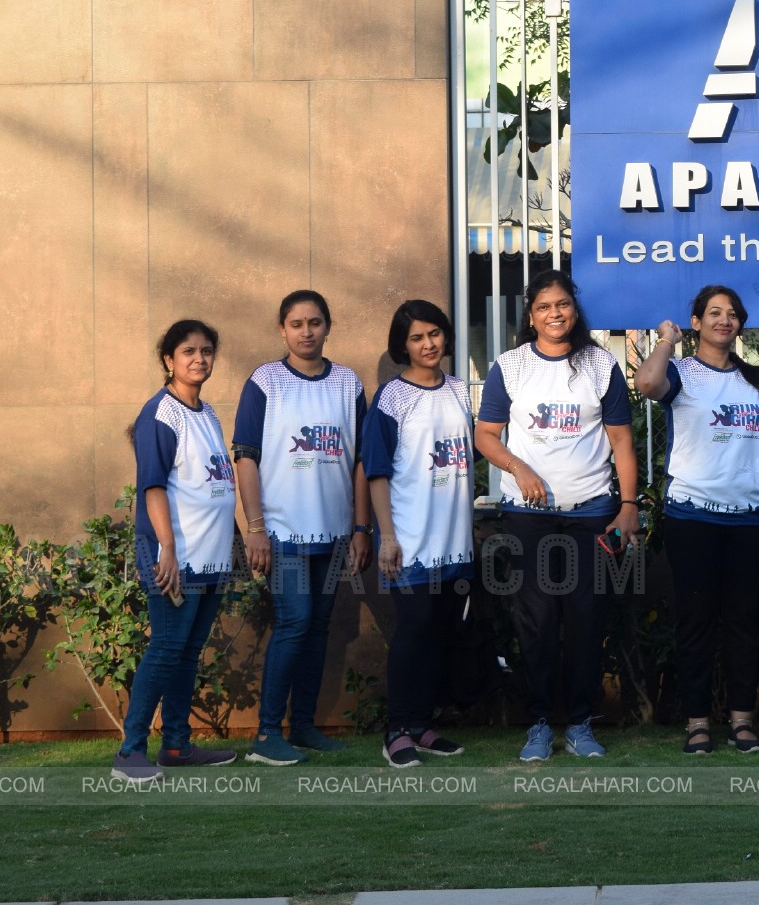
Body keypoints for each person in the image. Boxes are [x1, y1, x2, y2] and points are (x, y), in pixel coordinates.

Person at [474, 270, 640, 763]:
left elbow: (622, 442)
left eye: (563, 304)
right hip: (530, 517)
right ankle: (541, 724)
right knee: (537, 621)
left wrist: (628, 506)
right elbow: (486, 435)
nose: (555, 314)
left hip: (592, 513)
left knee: (587, 620)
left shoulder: (599, 365)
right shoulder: (510, 366)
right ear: (531, 316)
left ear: (575, 310)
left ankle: (583, 723)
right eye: (545, 306)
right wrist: (519, 467)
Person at [631, 284, 759, 754]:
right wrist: (665, 340)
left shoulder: (755, 381)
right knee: (696, 622)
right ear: (696, 322)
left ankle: (742, 720)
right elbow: (645, 385)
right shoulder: (680, 372)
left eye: (733, 314)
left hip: (749, 518)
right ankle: (697, 723)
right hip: (694, 516)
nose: (725, 320)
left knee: (745, 621)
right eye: (714, 313)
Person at [232, 289, 371, 765]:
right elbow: (245, 459)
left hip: (333, 533)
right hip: (283, 533)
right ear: (282, 329)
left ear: (327, 327)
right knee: (293, 621)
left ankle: (305, 725)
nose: (306, 331)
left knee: (317, 627)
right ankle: (267, 734)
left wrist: (360, 528)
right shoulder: (265, 382)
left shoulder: (348, 384)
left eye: (315, 322)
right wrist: (255, 527)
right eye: (296, 323)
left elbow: (359, 462)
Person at [113, 319, 240, 784]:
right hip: (174, 556)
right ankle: (129, 753)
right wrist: (166, 548)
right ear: (169, 360)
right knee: (166, 649)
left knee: (187, 653)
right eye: (188, 351)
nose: (199, 359)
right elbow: (152, 487)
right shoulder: (159, 415)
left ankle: (177, 746)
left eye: (207, 351)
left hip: (209, 557)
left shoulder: (207, 414)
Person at [361, 299, 473, 768]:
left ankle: (424, 726)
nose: (428, 344)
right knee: (414, 630)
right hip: (409, 539)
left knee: (441, 633)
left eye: (434, 334)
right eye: (416, 337)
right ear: (402, 345)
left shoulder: (462, 391)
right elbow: (377, 472)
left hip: (455, 539)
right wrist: (386, 536)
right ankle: (397, 731)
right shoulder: (391, 397)